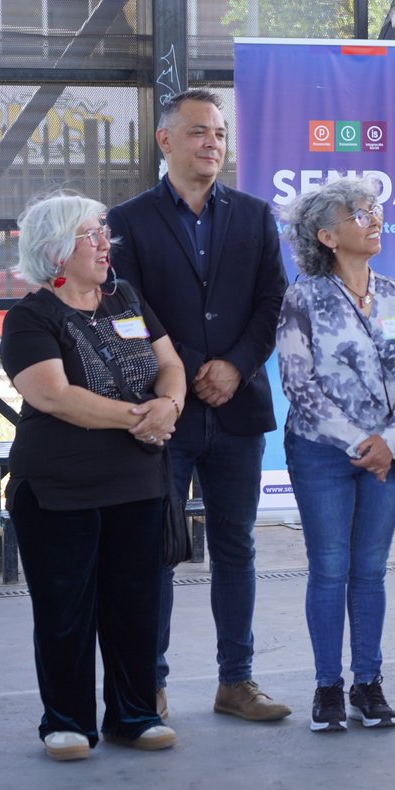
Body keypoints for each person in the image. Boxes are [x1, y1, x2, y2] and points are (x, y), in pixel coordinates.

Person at [107, 88, 290, 722]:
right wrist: (185, 372)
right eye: (198, 132)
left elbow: (273, 302)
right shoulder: (128, 221)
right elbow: (126, 309)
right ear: (165, 141)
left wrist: (236, 366)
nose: (213, 143)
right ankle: (149, 686)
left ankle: (236, 682)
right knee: (157, 549)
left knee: (236, 546)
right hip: (165, 412)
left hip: (238, 410)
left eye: (220, 133)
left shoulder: (255, 216)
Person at [1, 193, 186, 760]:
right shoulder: (31, 317)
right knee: (65, 613)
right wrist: (143, 418)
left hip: (138, 484)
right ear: (57, 249)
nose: (107, 243)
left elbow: (170, 363)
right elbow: (54, 396)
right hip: (60, 490)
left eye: (105, 230)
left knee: (135, 608)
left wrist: (170, 405)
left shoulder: (125, 297)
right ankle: (67, 722)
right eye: (92, 234)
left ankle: (134, 716)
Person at [277, 178, 395, 732]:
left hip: (388, 453)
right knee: (329, 570)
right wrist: (359, 443)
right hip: (322, 453)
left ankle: (369, 683)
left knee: (370, 570)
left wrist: (391, 442)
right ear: (327, 235)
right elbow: (298, 384)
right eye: (360, 213)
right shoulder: (303, 298)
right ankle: (328, 689)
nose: (374, 219)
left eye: (375, 210)